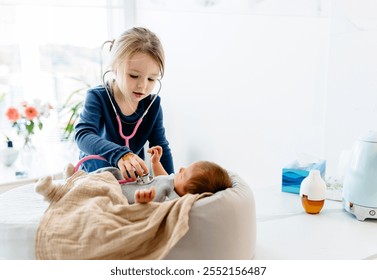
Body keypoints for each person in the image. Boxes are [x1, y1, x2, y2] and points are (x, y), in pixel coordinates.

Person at [75, 27, 173, 181]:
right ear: (114, 67)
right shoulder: (97, 97)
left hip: (130, 182)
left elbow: (161, 149)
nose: (143, 86)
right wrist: (120, 154)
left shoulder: (152, 106)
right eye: (134, 76)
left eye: (151, 79)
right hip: (94, 179)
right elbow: (83, 135)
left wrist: (172, 184)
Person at [100, 146, 233, 204]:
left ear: (187, 195)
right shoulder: (174, 182)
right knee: (110, 173)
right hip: (120, 182)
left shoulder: (173, 200)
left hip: (121, 195)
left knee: (103, 192)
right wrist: (156, 162)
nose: (180, 170)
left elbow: (155, 212)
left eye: (183, 175)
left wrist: (143, 204)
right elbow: (163, 177)